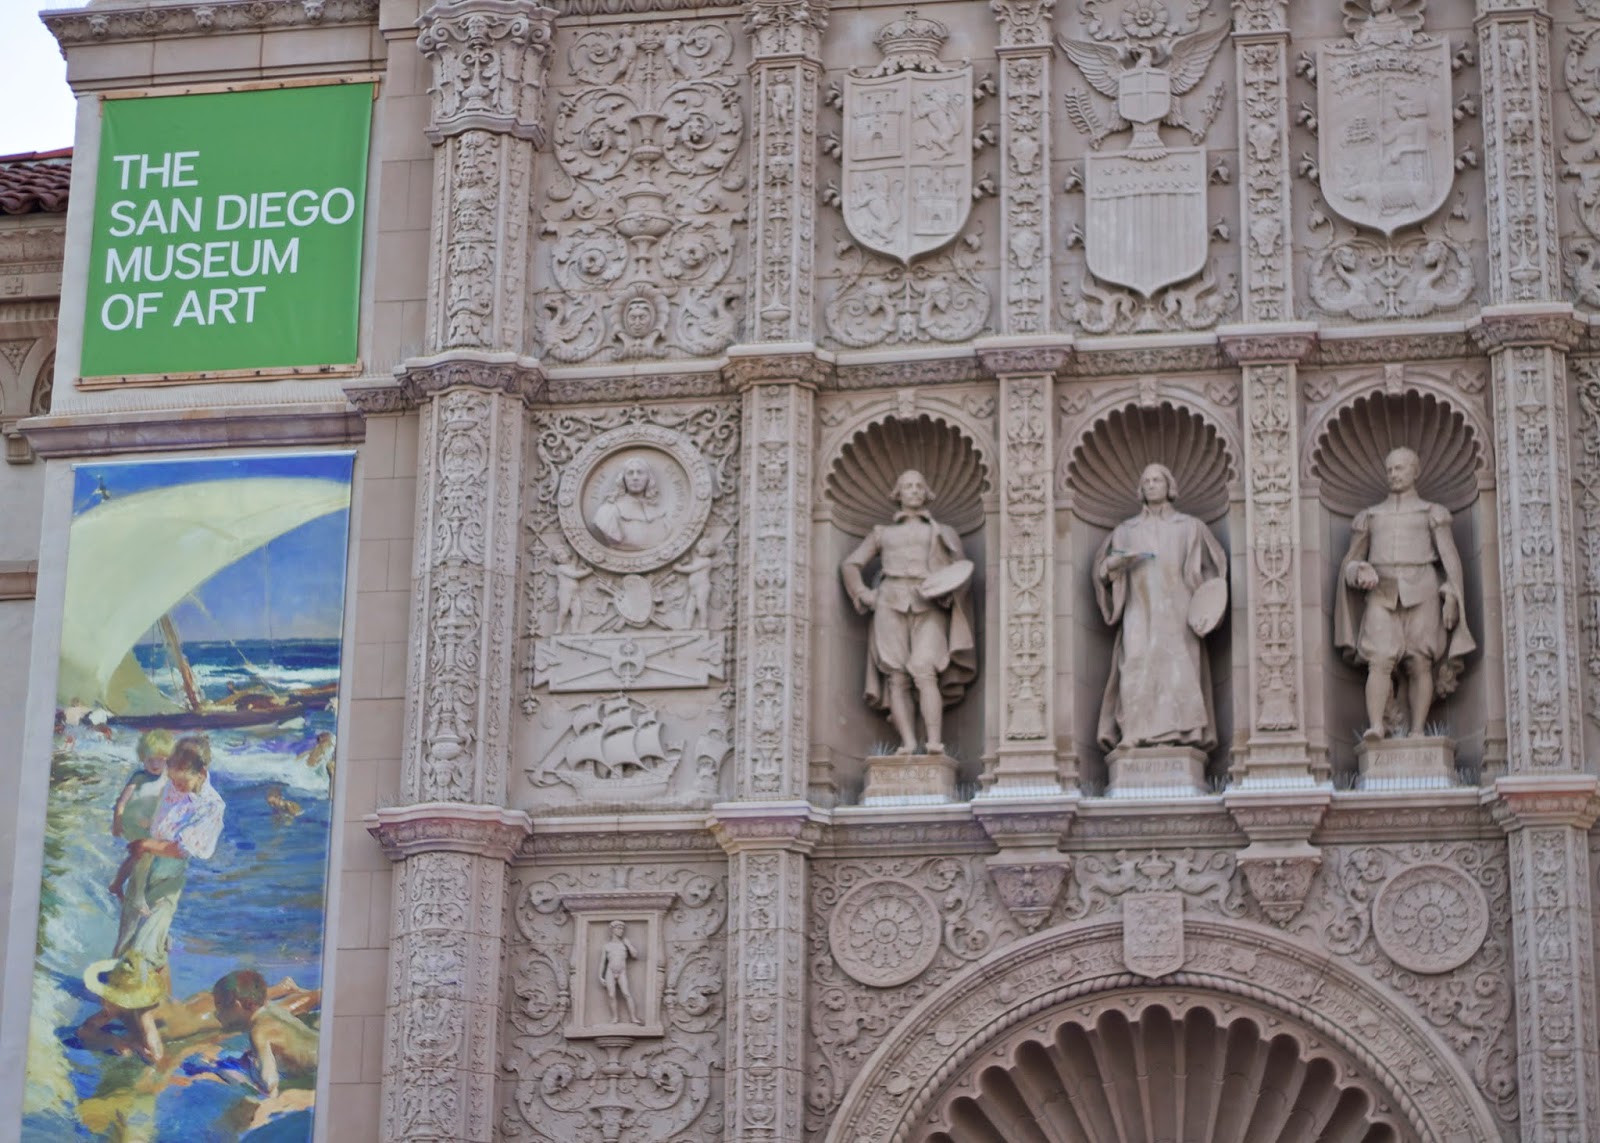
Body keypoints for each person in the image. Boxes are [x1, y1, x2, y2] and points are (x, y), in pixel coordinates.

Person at [1336, 446, 1475, 739]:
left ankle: (1417, 730)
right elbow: (1350, 561)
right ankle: (1376, 725)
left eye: (1399, 468)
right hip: (1382, 587)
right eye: (1389, 469)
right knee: (1379, 659)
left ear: (1416, 471)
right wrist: (1358, 571)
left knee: (1420, 661)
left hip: (1422, 585)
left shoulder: (1432, 513)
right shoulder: (1370, 517)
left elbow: (1450, 559)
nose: (1393, 475)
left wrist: (1452, 594)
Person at [840, 469, 977, 755]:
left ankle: (934, 742)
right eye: (907, 486)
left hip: (928, 602)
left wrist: (948, 594)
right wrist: (864, 593)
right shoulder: (882, 533)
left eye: (918, 486)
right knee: (897, 676)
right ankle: (908, 744)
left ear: (926, 493)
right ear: (897, 494)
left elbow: (960, 572)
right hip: (889, 602)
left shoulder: (942, 532)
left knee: (924, 669)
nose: (913, 490)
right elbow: (850, 565)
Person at [1094, 463, 1228, 752]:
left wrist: (1207, 608)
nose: (1152, 485)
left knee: (1179, 668)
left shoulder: (1190, 527)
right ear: (1140, 489)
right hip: (1138, 608)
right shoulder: (1125, 531)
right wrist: (1112, 566)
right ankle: (1133, 731)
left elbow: (1213, 573)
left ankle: (1184, 734)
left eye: (1157, 480)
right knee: (1134, 664)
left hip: (1179, 609)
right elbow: (1102, 573)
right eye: (1147, 481)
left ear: (1170, 486)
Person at [112, 735, 225, 998]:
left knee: (145, 944)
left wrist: (146, 845)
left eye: (181, 781)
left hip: (169, 874)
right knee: (128, 937)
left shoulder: (212, 806)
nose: (175, 786)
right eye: (172, 779)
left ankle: (133, 1004)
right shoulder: (171, 783)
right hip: (143, 865)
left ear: (202, 773)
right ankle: (165, 1004)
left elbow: (180, 849)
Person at [211, 969, 319, 1098]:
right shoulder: (273, 1009)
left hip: (316, 1071)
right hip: (319, 1049)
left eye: (219, 1006)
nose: (217, 1014)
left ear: (238, 1005)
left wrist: (235, 1077)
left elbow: (270, 1084)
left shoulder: (259, 1032)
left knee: (228, 1071)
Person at [108, 730, 175, 914]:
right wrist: (117, 822)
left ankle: (117, 884)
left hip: (151, 824)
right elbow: (121, 802)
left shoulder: (169, 778)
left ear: (168, 758)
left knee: (138, 856)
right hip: (132, 821)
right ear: (142, 758)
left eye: (160, 759)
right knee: (144, 854)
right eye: (149, 760)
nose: (154, 764)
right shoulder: (138, 777)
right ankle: (137, 898)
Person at [77, 951, 167, 1064]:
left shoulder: (144, 1012)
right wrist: (113, 1040)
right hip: (138, 1026)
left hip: (169, 1024)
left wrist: (138, 1048)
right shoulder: (116, 1004)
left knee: (138, 1038)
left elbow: (157, 1054)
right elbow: (83, 1031)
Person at [590, 457, 669, 551]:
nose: (635, 478)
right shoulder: (608, 511)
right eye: (630, 473)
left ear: (648, 478)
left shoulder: (658, 514)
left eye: (640, 473)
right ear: (623, 479)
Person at [598, 921, 642, 1025]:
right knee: (611, 995)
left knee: (626, 993)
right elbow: (602, 962)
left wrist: (628, 945)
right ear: (612, 930)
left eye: (622, 929)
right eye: (618, 928)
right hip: (610, 971)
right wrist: (600, 976)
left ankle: (633, 1017)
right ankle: (615, 1017)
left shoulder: (624, 944)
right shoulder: (607, 946)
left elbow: (635, 955)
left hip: (622, 972)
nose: (621, 931)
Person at [548, 538, 592, 633]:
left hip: (575, 593)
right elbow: (574, 575)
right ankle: (559, 628)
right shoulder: (561, 568)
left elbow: (576, 556)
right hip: (565, 592)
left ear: (567, 553)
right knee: (564, 611)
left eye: (561, 554)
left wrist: (571, 543)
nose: (560, 558)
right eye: (557, 557)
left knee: (577, 612)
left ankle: (575, 629)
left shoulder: (571, 565)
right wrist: (587, 571)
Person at [674, 537, 717, 628]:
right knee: (690, 607)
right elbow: (691, 559)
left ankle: (703, 624)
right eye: (702, 547)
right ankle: (687, 625)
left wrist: (679, 568)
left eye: (707, 549)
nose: (704, 550)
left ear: (709, 552)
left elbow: (692, 568)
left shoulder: (706, 561)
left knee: (700, 605)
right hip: (693, 588)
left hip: (702, 587)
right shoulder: (697, 559)